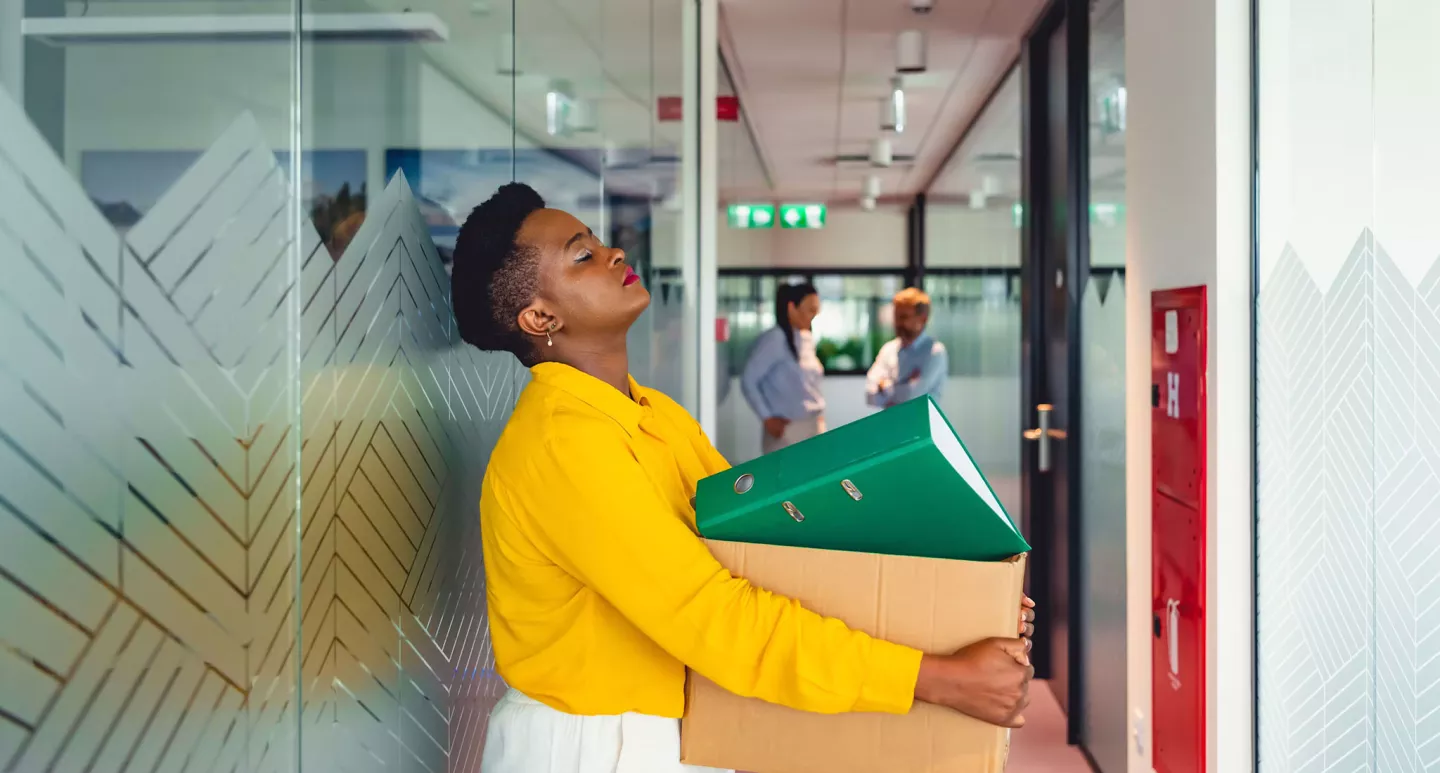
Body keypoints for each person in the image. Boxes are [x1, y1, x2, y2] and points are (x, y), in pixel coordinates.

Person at [450, 183, 1036, 773]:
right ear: (539, 316)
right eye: (583, 255)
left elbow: (765, 552)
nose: (614, 255)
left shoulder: (652, 413)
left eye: (599, 242)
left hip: (670, 727)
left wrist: (953, 610)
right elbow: (717, 617)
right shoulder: (562, 445)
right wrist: (939, 678)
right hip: (594, 747)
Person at [740, 281, 826, 454]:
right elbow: (749, 380)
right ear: (792, 308)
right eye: (810, 310)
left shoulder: (806, 337)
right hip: (787, 432)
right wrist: (767, 417)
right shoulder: (775, 339)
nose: (813, 316)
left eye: (816, 311)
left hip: (813, 425)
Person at [866, 286, 949, 409]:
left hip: (920, 426)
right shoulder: (888, 349)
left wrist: (884, 385)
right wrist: (904, 386)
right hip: (891, 425)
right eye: (896, 316)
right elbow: (870, 395)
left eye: (904, 317)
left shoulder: (935, 352)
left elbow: (912, 397)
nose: (898, 323)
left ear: (923, 319)